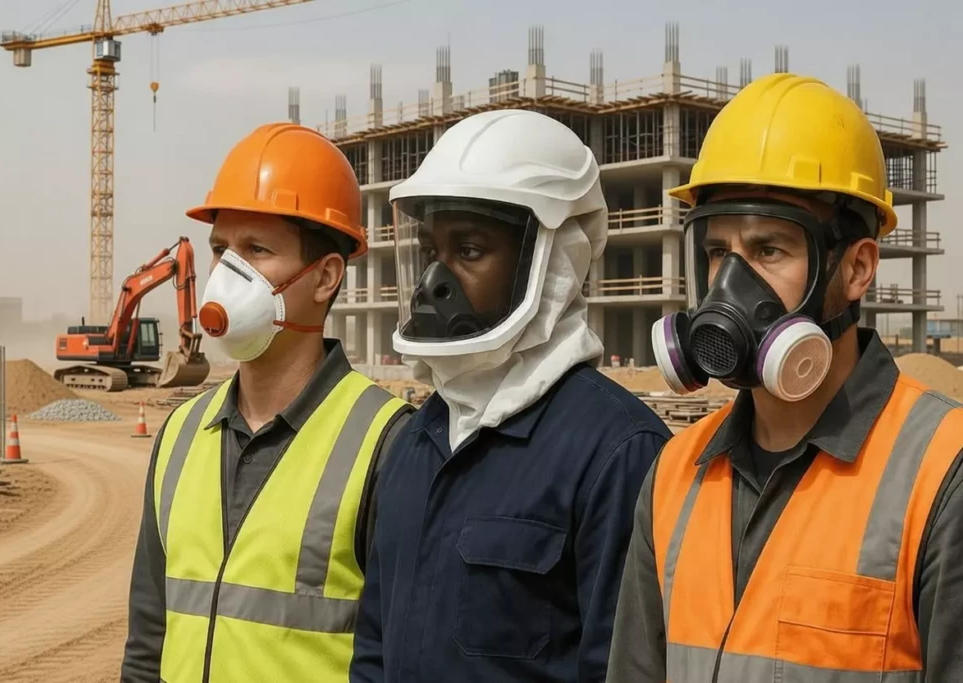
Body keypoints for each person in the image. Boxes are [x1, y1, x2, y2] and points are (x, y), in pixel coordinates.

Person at [606, 73, 963, 682]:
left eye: (769, 250)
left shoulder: (941, 472)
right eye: (718, 253)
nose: (729, 285)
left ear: (857, 269)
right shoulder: (675, 473)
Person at [349, 109, 671, 683]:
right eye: (430, 251)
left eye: (470, 250)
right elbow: (374, 646)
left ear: (554, 259)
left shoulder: (618, 453)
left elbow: (624, 667)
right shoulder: (415, 443)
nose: (434, 282)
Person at [120, 123, 413, 683]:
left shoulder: (388, 443)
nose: (227, 273)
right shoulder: (180, 433)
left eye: (256, 250)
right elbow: (148, 640)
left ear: (325, 277)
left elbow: (398, 657)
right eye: (220, 249)